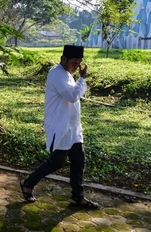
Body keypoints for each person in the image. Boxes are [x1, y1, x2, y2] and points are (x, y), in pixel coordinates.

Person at [20, 45, 99, 209]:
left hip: (73, 127)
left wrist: (79, 80)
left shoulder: (67, 75)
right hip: (60, 125)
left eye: (79, 63)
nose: (76, 66)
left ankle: (78, 196)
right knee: (56, 162)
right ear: (63, 59)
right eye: (73, 62)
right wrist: (82, 79)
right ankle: (28, 183)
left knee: (79, 160)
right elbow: (72, 96)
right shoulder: (56, 74)